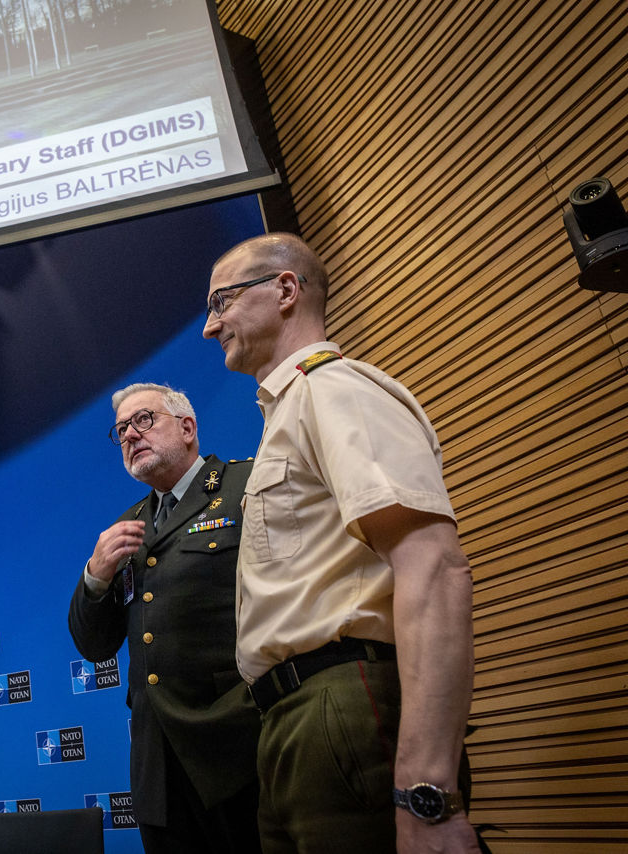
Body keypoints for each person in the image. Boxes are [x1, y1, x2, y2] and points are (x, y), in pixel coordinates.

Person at [201, 233, 479, 853]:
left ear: (285, 290)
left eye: (222, 301)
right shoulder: (290, 410)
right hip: (292, 722)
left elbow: (433, 570)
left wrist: (424, 793)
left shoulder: (335, 391)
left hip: (344, 712)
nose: (209, 326)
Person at [67, 382, 262, 853]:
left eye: (144, 420)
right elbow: (94, 646)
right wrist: (95, 576)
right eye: (121, 431)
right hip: (157, 761)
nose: (131, 435)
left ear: (188, 427)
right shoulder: (127, 526)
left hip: (236, 744)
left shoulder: (244, 485)